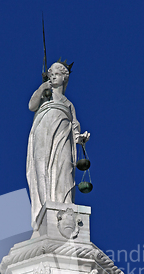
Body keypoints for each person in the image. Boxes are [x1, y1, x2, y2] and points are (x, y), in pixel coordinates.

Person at [26, 61, 90, 228]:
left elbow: (74, 125)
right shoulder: (44, 96)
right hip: (43, 132)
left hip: (62, 136)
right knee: (42, 168)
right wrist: (41, 89)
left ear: (64, 78)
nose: (53, 76)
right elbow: (31, 106)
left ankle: (64, 205)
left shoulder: (68, 104)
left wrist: (80, 137)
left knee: (65, 167)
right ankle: (45, 207)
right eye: (51, 73)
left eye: (57, 73)